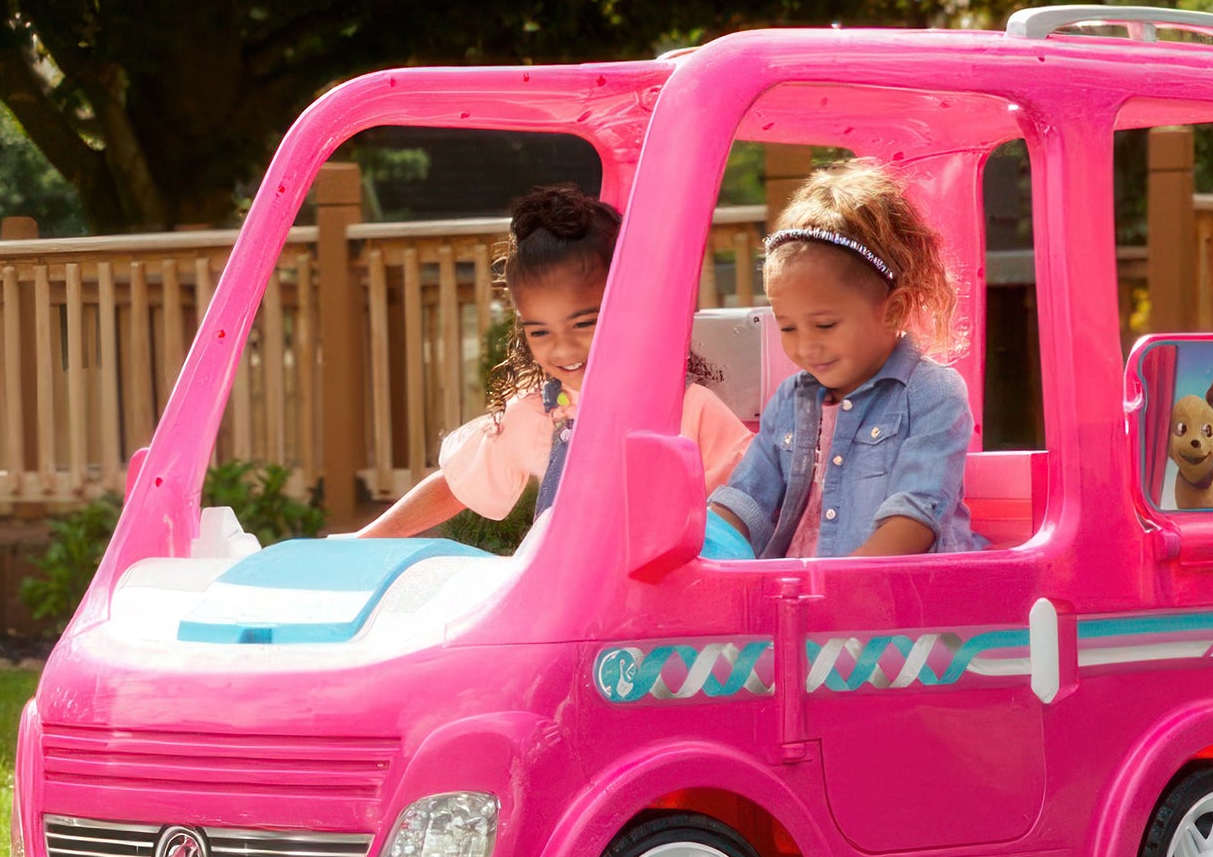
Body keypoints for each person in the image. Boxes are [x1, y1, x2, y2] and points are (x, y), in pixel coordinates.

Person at [359, 184, 750, 538]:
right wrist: (366, 541)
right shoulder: (539, 411)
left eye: (583, 324)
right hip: (569, 607)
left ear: (633, 308)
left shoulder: (687, 409)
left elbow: (751, 502)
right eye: (540, 332)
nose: (563, 350)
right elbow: (456, 485)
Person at [709, 160, 983, 559]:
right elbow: (746, 500)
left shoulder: (931, 394)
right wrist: (702, 548)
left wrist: (841, 589)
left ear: (891, 311)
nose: (805, 348)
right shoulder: (791, 400)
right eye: (788, 328)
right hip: (798, 595)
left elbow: (915, 517)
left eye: (824, 325)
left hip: (903, 601)